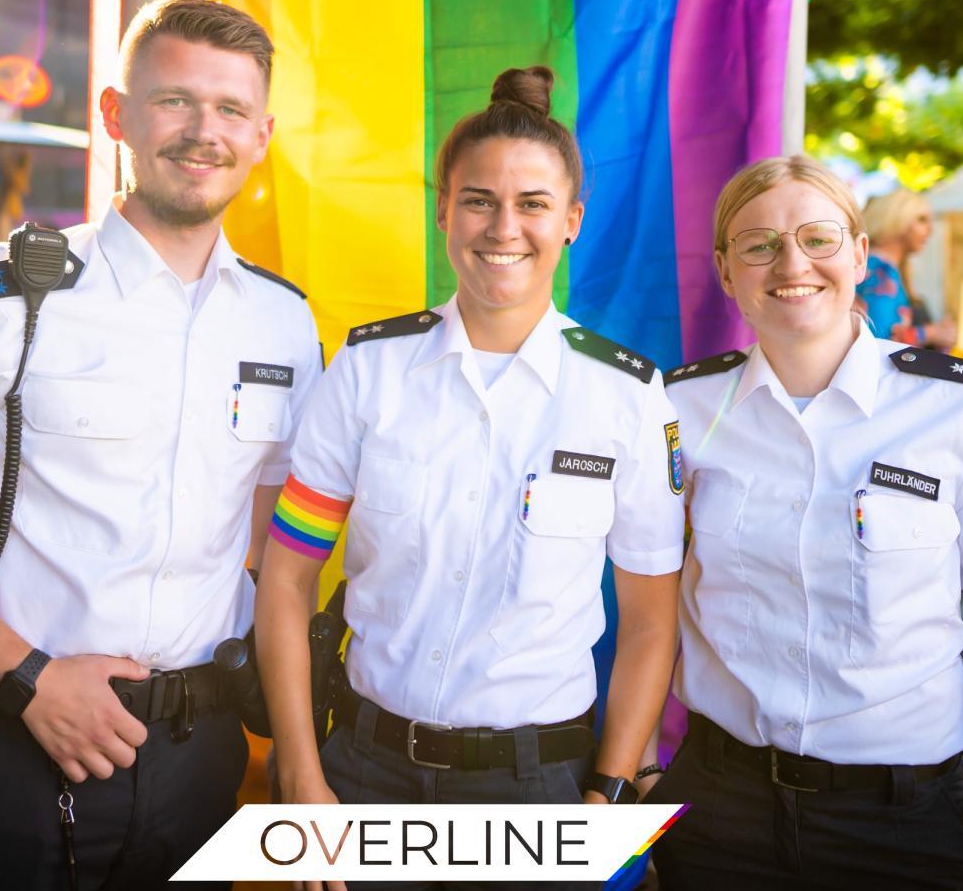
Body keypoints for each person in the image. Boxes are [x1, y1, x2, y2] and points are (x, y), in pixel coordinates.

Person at [0, 0, 322, 889]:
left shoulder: (284, 324)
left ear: (262, 135)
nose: (203, 131)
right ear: (116, 116)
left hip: (203, 752)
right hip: (25, 739)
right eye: (174, 99)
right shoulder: (4, 293)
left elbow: (269, 548)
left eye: (231, 110)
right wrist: (28, 682)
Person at [254, 68, 685, 868]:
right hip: (362, 773)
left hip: (542, 788)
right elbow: (285, 578)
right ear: (444, 210)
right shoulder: (368, 369)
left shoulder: (627, 395)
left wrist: (610, 794)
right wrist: (302, 773)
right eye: (479, 199)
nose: (503, 227)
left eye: (534, 205)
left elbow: (653, 622)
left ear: (572, 222)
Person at [648, 154, 963, 891]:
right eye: (759, 244)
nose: (792, 262)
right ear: (725, 268)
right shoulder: (679, 409)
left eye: (819, 238)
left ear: (862, 254)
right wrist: (644, 769)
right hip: (721, 813)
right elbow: (647, 597)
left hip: (905, 820)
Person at [857, 188, 957, 349]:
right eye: (922, 220)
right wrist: (932, 333)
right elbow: (879, 340)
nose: (930, 230)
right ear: (897, 218)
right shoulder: (881, 271)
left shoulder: (875, 265)